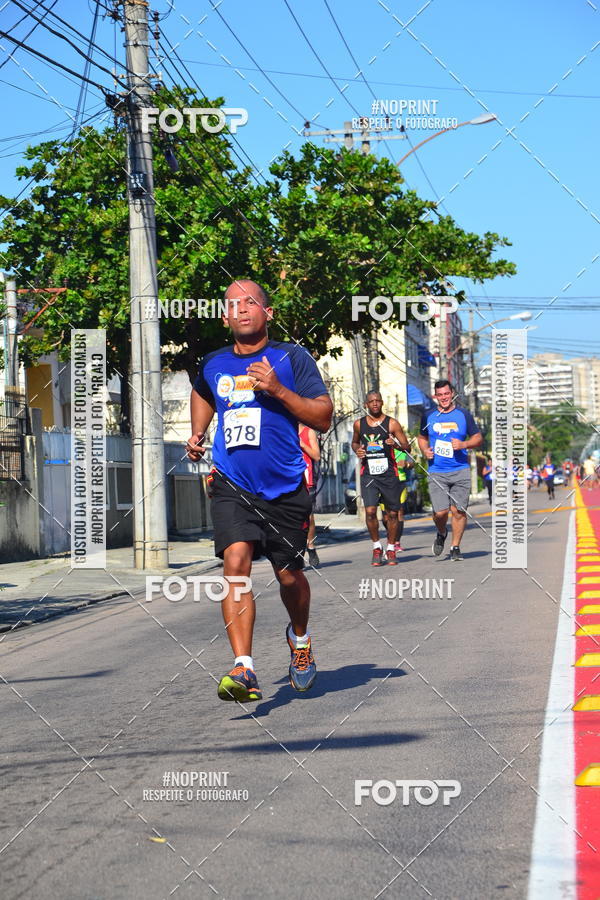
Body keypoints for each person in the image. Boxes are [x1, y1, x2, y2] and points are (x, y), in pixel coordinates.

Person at [186, 279, 332, 703]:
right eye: (232, 304)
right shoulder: (213, 362)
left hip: (284, 487)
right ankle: (244, 668)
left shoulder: (291, 357)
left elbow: (322, 417)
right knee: (235, 561)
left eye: (250, 302)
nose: (241, 309)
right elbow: (202, 391)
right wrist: (198, 432)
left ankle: (300, 640)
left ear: (267, 312)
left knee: (289, 576)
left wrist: (278, 390)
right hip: (232, 483)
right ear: (225, 316)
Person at [417, 380, 483, 562]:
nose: (444, 398)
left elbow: (478, 438)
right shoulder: (428, 415)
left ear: (452, 393)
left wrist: (464, 444)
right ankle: (442, 531)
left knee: (459, 511)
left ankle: (455, 547)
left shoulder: (464, 415)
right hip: (437, 470)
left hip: (460, 469)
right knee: (440, 513)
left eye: (446, 394)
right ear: (435, 396)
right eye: (440, 395)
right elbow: (421, 438)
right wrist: (425, 450)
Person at [352, 391, 411, 566]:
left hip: (388, 475)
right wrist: (358, 450)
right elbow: (354, 442)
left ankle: (391, 549)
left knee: (392, 514)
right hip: (369, 474)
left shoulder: (392, 423)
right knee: (370, 512)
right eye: (371, 401)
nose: (375, 404)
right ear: (366, 405)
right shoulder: (359, 424)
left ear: (382, 403)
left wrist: (396, 444)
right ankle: (377, 547)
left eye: (378, 400)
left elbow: (407, 447)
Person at [381, 447, 413, 553]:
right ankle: (391, 535)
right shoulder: (379, 448)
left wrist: (406, 464)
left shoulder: (402, 448)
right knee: (385, 516)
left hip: (399, 482)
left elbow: (412, 463)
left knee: (399, 513)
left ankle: (396, 542)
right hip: (383, 483)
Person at [298, 423, 320, 567]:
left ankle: (310, 546)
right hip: (287, 479)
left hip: (307, 479)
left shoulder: (308, 431)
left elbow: (316, 456)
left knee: (308, 516)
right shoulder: (281, 428)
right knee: (293, 518)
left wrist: (302, 444)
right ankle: (298, 552)